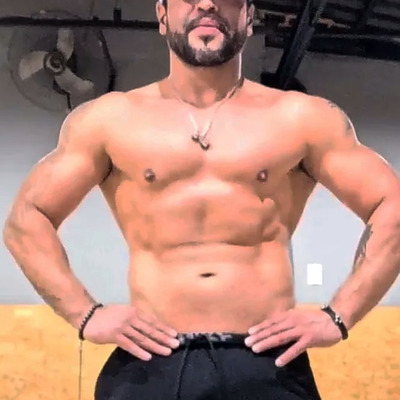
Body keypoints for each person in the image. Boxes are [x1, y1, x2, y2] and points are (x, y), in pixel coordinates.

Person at [3, 0, 400, 398]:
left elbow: (392, 207)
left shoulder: (302, 118)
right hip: (151, 360)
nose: (208, 3)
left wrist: (338, 317)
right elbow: (26, 220)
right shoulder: (108, 120)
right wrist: (86, 314)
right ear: (162, 15)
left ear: (249, 16)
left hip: (266, 364)